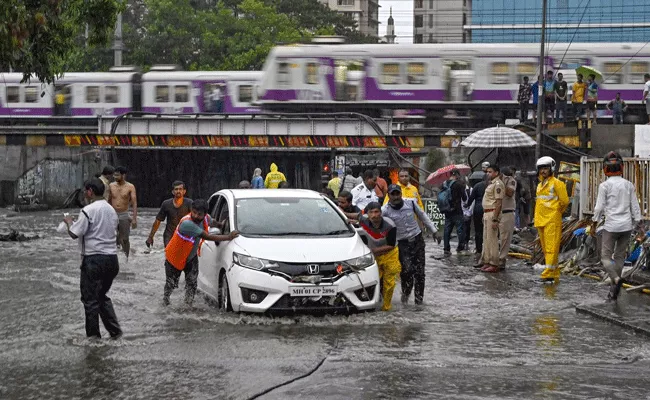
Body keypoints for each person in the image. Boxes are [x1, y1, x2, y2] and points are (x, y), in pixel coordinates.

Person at [63, 178, 122, 339]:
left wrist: (69, 222)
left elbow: (74, 233)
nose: (84, 193)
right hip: (112, 260)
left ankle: (93, 339)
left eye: (85, 191)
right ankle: (116, 332)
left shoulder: (88, 210)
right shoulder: (111, 210)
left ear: (90, 191)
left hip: (94, 260)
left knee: (90, 300)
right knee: (102, 296)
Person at [164, 199, 239, 306]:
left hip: (190, 257)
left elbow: (212, 222)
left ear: (204, 214)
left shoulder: (206, 218)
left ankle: (188, 305)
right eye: (193, 212)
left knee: (192, 283)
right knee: (171, 285)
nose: (195, 216)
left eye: (199, 214)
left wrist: (221, 225)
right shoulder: (187, 224)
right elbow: (208, 236)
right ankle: (166, 302)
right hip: (174, 258)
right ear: (191, 210)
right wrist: (229, 236)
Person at [592, 152, 642, 301]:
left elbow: (599, 208)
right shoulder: (628, 185)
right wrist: (639, 225)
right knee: (620, 256)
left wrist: (594, 223)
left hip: (611, 226)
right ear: (621, 167)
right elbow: (636, 207)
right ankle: (613, 291)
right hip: (627, 226)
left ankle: (615, 279)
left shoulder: (604, 186)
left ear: (605, 169)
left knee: (605, 257)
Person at [382, 184, 439, 305]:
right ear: (389, 196)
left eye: (398, 193)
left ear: (401, 194)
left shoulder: (411, 203)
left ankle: (419, 302)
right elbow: (377, 223)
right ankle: (405, 296)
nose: (396, 197)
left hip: (417, 240)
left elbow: (423, 216)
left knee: (420, 273)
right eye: (393, 194)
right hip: (402, 244)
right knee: (407, 271)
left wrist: (434, 231)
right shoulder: (385, 210)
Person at [358, 202, 401, 311]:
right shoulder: (363, 220)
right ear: (367, 214)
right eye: (371, 212)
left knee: (389, 282)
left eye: (376, 212)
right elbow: (354, 215)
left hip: (390, 254)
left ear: (381, 213)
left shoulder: (390, 225)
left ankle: (386, 307)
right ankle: (371, 304)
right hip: (375, 255)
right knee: (372, 279)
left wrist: (373, 250)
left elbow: (391, 245)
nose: (374, 215)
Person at [535, 156, 569, 283]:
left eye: (545, 168)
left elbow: (564, 201)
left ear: (551, 169)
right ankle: (553, 273)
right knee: (546, 248)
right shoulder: (539, 185)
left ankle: (548, 274)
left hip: (552, 220)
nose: (543, 171)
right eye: (541, 169)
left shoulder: (557, 184)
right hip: (541, 219)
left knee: (551, 248)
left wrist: (556, 212)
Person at [147, 181, 193, 249]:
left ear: (184, 191)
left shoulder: (189, 203)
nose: (178, 191)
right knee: (169, 257)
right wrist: (150, 237)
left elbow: (196, 219)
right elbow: (158, 221)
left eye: (180, 189)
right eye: (176, 189)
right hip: (169, 235)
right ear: (173, 192)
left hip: (184, 235)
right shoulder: (166, 204)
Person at [479, 165, 505, 273]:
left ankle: (494, 263)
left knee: (492, 239)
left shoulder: (498, 184)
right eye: (487, 172)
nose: (488, 173)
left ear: (496, 172)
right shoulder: (491, 184)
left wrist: (495, 219)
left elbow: (498, 203)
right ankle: (487, 261)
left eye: (490, 172)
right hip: (487, 213)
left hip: (492, 213)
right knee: (486, 239)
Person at [108, 166, 137, 259]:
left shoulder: (130, 186)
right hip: (112, 214)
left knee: (125, 239)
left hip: (124, 214)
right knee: (111, 238)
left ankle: (126, 258)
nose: (115, 177)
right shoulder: (111, 186)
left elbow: (134, 203)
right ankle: (112, 258)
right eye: (114, 175)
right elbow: (108, 201)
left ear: (123, 175)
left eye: (117, 175)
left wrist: (134, 219)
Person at [442, 169, 467, 256]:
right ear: (456, 175)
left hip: (447, 210)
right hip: (457, 211)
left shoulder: (444, 183)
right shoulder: (459, 184)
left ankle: (446, 248)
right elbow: (464, 198)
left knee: (447, 230)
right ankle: (460, 247)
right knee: (460, 229)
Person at [499, 167, 518, 269]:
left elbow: (510, 193)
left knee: (505, 238)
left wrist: (502, 183)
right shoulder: (494, 182)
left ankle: (502, 260)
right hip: (496, 212)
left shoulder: (511, 181)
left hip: (507, 212)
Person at [467, 177, 487, 257]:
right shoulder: (491, 185)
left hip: (478, 209)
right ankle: (486, 249)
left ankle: (479, 249)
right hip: (488, 209)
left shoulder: (477, 186)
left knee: (478, 230)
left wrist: (467, 205)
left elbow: (471, 198)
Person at [461, 178, 473, 250]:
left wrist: (469, 213)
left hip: (468, 212)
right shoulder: (460, 189)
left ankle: (466, 242)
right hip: (461, 212)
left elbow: (472, 201)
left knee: (467, 228)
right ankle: (462, 242)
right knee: (461, 228)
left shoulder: (470, 190)